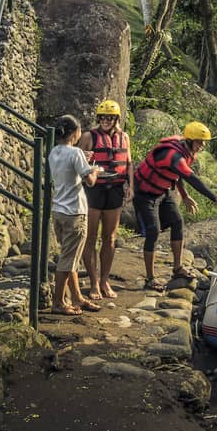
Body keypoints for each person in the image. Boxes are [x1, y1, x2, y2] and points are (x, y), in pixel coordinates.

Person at [130, 121, 217, 292]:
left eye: (203, 142)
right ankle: (150, 279)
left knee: (178, 222)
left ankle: (178, 269)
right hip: (144, 194)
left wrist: (184, 196)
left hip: (163, 191)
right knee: (153, 231)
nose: (202, 146)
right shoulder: (173, 155)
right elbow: (192, 179)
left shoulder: (187, 150)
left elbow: (178, 175)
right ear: (190, 140)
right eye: (200, 142)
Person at [46, 115, 104, 315]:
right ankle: (59, 302)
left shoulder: (54, 151)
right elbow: (90, 181)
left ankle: (77, 297)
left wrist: (83, 162)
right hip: (74, 212)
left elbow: (68, 169)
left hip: (59, 211)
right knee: (68, 260)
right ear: (75, 133)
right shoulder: (76, 152)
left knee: (70, 257)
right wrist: (95, 169)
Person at [81, 100, 131, 300]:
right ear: (98, 118)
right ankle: (93, 283)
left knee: (109, 239)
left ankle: (104, 281)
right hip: (94, 190)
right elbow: (78, 162)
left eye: (110, 118)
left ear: (116, 119)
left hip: (115, 189)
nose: (106, 121)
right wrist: (85, 156)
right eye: (102, 117)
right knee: (90, 238)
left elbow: (128, 163)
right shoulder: (88, 136)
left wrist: (131, 187)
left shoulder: (124, 137)